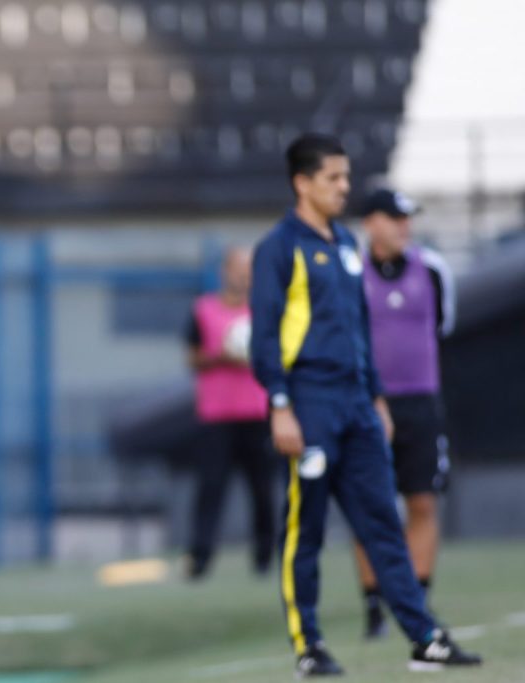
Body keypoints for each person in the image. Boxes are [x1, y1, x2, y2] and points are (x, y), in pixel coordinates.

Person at [249, 133, 480, 676]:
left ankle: (424, 637)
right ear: (302, 183)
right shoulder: (279, 249)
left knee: (382, 520)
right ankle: (309, 645)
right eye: (333, 178)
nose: (344, 188)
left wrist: (375, 395)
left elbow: (359, 330)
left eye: (346, 177)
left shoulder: (347, 247)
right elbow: (265, 336)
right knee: (304, 528)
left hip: (356, 402)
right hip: (310, 404)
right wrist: (280, 404)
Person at [354, 188, 456, 638]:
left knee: (422, 500)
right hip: (365, 403)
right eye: (394, 218)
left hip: (419, 402)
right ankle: (374, 604)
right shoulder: (350, 272)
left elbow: (442, 326)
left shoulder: (431, 269)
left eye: (407, 218)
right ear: (370, 222)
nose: (403, 227)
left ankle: (418, 599)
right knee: (370, 505)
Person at [184, 246, 274, 579]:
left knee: (262, 489)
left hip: (257, 414)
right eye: (238, 268)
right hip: (216, 416)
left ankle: (264, 556)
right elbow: (192, 358)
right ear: (225, 271)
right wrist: (220, 356)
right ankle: (200, 557)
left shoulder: (266, 311)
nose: (244, 275)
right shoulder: (204, 310)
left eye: (249, 269)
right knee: (210, 488)